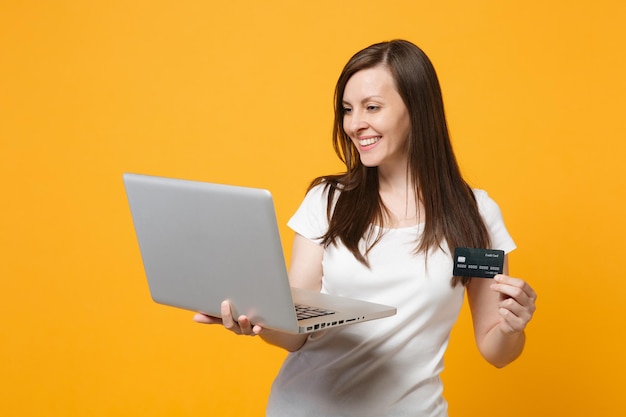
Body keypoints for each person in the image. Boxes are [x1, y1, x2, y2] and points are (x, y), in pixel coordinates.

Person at [193, 39, 537, 416]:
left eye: (372, 107)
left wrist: (511, 327)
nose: (355, 124)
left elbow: (497, 352)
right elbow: (295, 332)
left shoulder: (470, 215)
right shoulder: (328, 201)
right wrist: (255, 320)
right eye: (347, 109)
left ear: (417, 110)